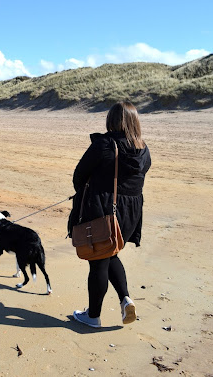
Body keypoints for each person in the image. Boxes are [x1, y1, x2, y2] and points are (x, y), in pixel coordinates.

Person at [68, 101, 151, 328]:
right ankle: (126, 300)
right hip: (130, 214)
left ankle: (93, 316)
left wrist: (87, 192)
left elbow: (79, 175)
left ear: (111, 121)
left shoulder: (105, 145)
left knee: (98, 261)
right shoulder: (143, 149)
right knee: (110, 252)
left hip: (104, 209)